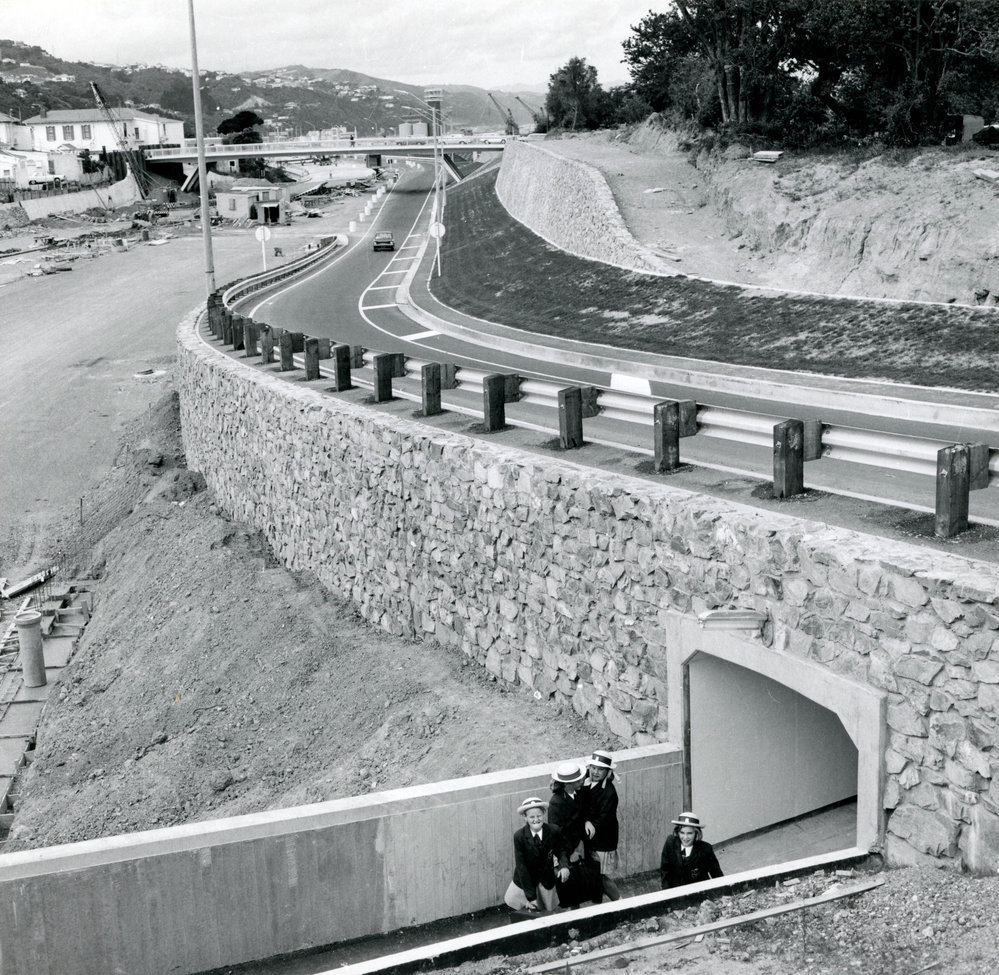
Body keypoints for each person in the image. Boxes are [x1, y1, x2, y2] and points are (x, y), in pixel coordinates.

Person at [549, 762, 601, 908]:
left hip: (580, 845)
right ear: (568, 784)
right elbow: (556, 834)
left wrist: (587, 821)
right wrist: (567, 855)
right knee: (571, 888)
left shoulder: (578, 793)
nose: (582, 781)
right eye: (578, 780)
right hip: (567, 849)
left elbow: (583, 811)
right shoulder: (556, 802)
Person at [504, 796, 568, 913]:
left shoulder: (553, 830)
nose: (536, 820)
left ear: (544, 814)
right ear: (525, 817)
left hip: (545, 880)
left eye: (539, 816)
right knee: (526, 913)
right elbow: (521, 866)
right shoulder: (519, 836)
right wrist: (531, 897)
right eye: (531, 817)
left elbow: (561, 850)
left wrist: (564, 866)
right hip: (526, 882)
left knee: (547, 911)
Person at [583, 750, 621, 901]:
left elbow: (606, 817)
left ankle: (619, 901)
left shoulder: (609, 793)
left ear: (608, 772)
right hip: (590, 838)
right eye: (593, 767)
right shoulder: (584, 782)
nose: (595, 772)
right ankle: (598, 904)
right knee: (593, 875)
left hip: (603, 840)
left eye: (600, 769)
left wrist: (591, 823)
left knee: (600, 876)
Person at [660, 811, 723, 889]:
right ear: (677, 832)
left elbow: (717, 874)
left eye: (689, 833)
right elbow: (665, 871)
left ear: (696, 833)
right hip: (676, 891)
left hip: (698, 892)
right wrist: (667, 895)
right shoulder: (670, 843)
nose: (685, 837)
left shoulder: (706, 849)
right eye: (682, 833)